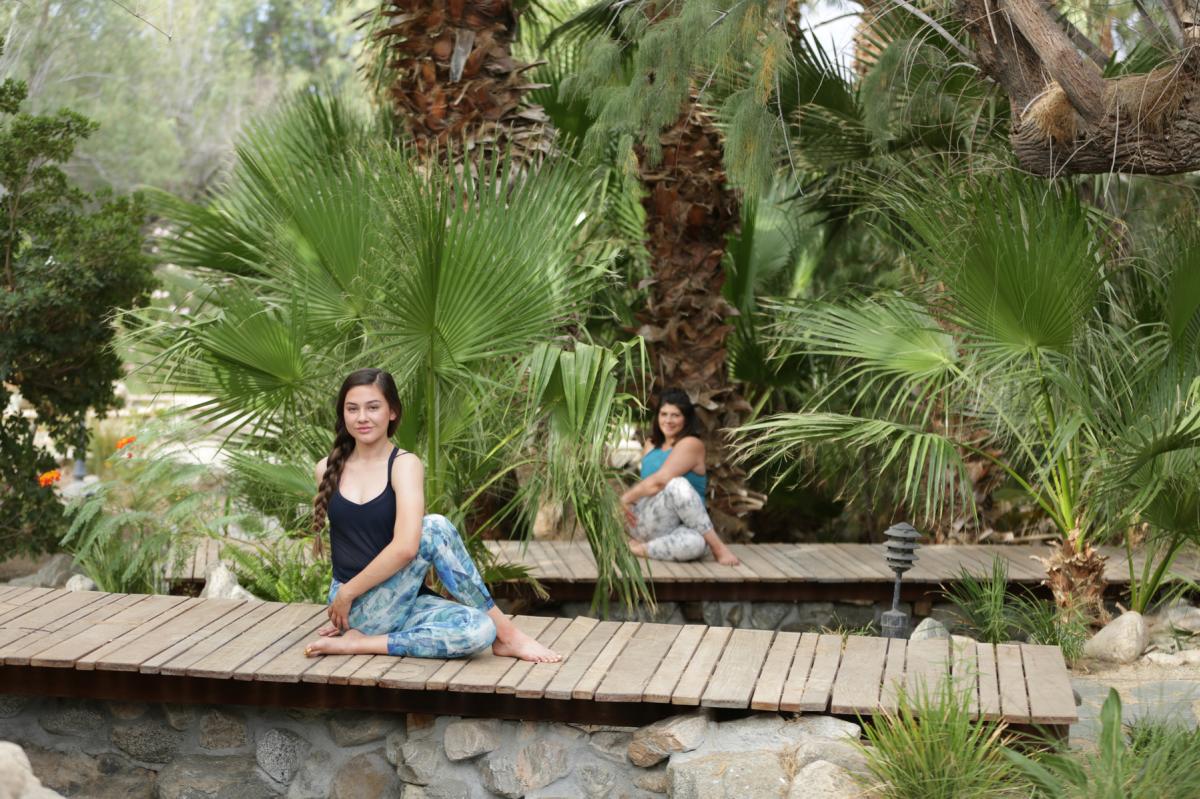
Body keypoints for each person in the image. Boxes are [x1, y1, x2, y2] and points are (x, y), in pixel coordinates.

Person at [303, 368, 559, 662]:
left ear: (393, 413)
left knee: (479, 630)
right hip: (355, 604)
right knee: (435, 528)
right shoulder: (326, 468)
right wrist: (346, 596)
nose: (362, 417)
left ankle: (364, 642)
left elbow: (405, 548)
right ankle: (511, 635)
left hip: (402, 601)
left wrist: (348, 594)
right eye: (352, 409)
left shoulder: (404, 464)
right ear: (343, 414)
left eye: (373, 407)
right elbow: (402, 549)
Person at [620, 389, 740, 566]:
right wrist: (627, 500)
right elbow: (652, 483)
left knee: (697, 544)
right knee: (677, 484)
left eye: (675, 415)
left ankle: (637, 549)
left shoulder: (691, 444)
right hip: (649, 521)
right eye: (664, 414)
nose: (668, 420)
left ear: (686, 418)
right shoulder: (651, 444)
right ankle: (719, 548)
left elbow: (660, 479)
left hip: (686, 527)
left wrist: (626, 497)